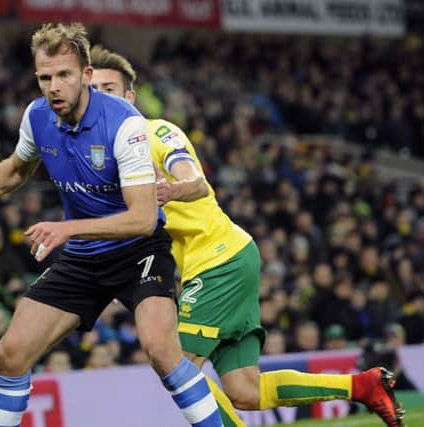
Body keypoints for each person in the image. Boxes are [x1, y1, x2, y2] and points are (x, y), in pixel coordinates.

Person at [90, 44, 406, 427]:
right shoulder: (110, 161)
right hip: (217, 263)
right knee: (245, 390)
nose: (101, 99)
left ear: (129, 97)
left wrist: (177, 188)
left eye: (110, 89)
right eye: (95, 92)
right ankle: (362, 386)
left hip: (219, 260)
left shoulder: (156, 132)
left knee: (177, 365)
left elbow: (193, 177)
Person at [0, 23, 223, 427]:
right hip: (84, 257)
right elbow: (17, 169)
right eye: (45, 77)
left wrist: (67, 230)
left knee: (160, 349)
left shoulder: (125, 124)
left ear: (86, 75)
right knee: (9, 353)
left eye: (64, 75)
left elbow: (142, 219)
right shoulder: (37, 117)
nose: (54, 87)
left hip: (138, 253)